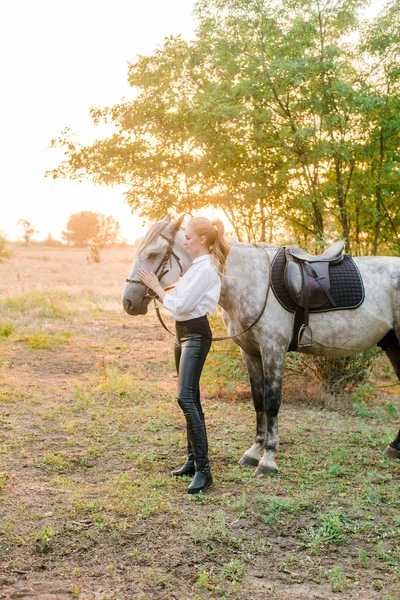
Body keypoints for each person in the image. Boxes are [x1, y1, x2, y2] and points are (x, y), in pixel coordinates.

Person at [138, 216, 230, 494]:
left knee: (185, 398)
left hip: (196, 335)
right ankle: (192, 460)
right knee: (192, 398)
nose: (185, 241)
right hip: (183, 334)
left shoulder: (205, 269)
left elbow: (179, 305)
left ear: (202, 240)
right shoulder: (195, 267)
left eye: (188, 237)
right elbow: (179, 302)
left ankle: (205, 471)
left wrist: (155, 287)